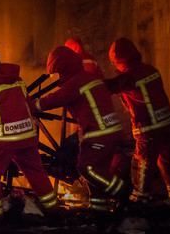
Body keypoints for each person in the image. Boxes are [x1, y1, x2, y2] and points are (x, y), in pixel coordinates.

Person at [0, 44, 57, 222]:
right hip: (27, 135)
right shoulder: (16, 79)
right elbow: (29, 105)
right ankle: (55, 211)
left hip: (2, 139)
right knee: (36, 172)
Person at [35, 46, 127, 214]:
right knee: (99, 173)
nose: (58, 76)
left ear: (64, 67)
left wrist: (31, 105)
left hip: (98, 134)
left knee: (86, 168)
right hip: (109, 132)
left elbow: (57, 98)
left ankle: (122, 190)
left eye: (58, 72)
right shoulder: (88, 77)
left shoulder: (77, 82)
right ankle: (100, 212)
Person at [105, 38, 170, 205]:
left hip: (149, 127)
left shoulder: (130, 76)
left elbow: (109, 87)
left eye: (115, 63)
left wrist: (87, 83)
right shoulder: (150, 69)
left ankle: (139, 201)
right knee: (167, 160)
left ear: (120, 60)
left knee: (142, 163)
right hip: (166, 123)